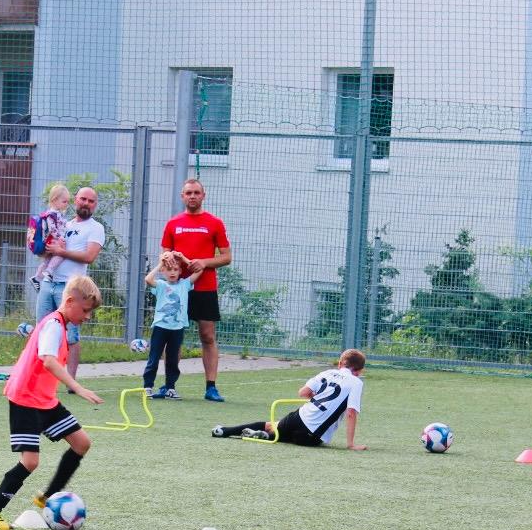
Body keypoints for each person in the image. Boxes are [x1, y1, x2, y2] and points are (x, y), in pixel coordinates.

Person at [0, 275, 104, 530]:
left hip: (44, 399)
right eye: (85, 310)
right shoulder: (53, 325)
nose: (88, 316)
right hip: (25, 399)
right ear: (70, 301)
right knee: (31, 461)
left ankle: (48, 497)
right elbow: (48, 360)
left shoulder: (62, 325)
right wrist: (77, 387)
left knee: (81, 443)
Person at [211, 349, 368, 450]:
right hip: (312, 435)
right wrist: (351, 444)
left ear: (340, 364)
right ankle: (267, 436)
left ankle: (225, 431)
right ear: (359, 371)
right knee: (296, 438)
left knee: (270, 425)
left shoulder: (326, 373)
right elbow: (351, 413)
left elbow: (303, 392)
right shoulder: (356, 382)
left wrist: (315, 397)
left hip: (298, 417)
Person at [161, 178, 232, 402]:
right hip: (177, 289)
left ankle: (211, 387)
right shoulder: (173, 224)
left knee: (207, 336)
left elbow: (226, 257)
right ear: (182, 196)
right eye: (188, 193)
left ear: (203, 195)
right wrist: (171, 259)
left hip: (205, 287)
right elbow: (164, 254)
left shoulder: (215, 223)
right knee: (173, 337)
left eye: (196, 193)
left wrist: (204, 262)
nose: (192, 196)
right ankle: (169, 385)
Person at [34, 186, 104, 382]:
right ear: (75, 200)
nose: (86, 203)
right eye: (83, 199)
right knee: (42, 330)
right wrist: (41, 246)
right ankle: (39, 378)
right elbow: (48, 250)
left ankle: (70, 381)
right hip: (49, 282)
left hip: (71, 288)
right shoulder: (63, 222)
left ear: (95, 205)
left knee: (71, 335)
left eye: (91, 201)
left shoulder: (95, 228)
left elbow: (89, 257)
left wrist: (61, 252)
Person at [141, 250, 201, 399]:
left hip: (177, 329)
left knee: (173, 360)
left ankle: (170, 388)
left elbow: (199, 270)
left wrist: (183, 258)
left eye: (175, 269)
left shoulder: (185, 284)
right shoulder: (161, 285)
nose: (172, 272)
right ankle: (148, 386)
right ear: (163, 271)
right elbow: (148, 279)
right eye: (168, 269)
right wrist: (161, 263)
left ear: (180, 271)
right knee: (154, 357)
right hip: (161, 327)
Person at [28, 183, 70, 286]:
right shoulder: (51, 214)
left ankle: (36, 278)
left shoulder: (56, 213)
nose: (66, 204)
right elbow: (52, 229)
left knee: (47, 260)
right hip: (53, 240)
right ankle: (49, 271)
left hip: (51, 239)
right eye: (64, 201)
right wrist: (60, 238)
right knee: (61, 255)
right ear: (55, 200)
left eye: (67, 202)